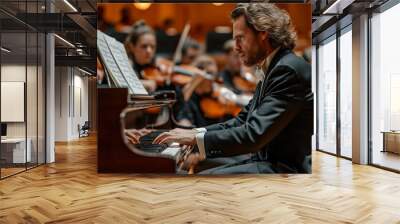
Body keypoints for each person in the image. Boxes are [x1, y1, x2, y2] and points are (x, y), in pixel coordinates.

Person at [150, 3, 313, 174]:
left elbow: (253, 135)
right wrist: (194, 132)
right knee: (199, 167)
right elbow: (241, 120)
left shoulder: (286, 70)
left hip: (286, 169)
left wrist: (196, 139)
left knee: (202, 177)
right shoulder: (273, 67)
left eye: (240, 38)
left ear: (263, 33)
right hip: (267, 159)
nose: (236, 47)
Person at [125, 20, 158, 92]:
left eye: (152, 47)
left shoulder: (154, 65)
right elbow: (121, 84)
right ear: (132, 47)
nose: (149, 51)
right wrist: (142, 83)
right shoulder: (127, 65)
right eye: (144, 46)